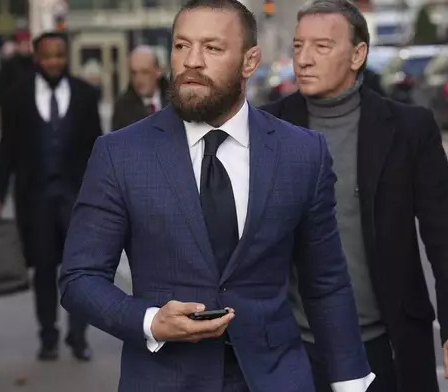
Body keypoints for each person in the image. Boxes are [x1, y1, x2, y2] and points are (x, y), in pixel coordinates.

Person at [60, 1, 373, 391]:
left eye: (212, 48)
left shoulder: (301, 153)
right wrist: (149, 320)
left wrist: (351, 382)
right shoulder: (120, 154)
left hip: (275, 377)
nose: (192, 61)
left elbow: (326, 281)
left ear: (249, 61)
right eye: (181, 46)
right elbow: (79, 278)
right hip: (164, 378)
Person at [260, 1, 448, 391]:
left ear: (357, 54)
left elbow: (445, 235)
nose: (304, 59)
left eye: (321, 47)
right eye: (298, 46)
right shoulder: (264, 127)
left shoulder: (409, 129)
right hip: (291, 348)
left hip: (384, 344)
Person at [0, 31, 103, 362]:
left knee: (80, 270)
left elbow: (98, 146)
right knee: (43, 270)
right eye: (47, 56)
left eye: (59, 56)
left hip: (77, 198)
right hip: (34, 198)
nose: (54, 62)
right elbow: (6, 149)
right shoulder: (17, 96)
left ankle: (79, 336)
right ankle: (48, 336)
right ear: (36, 59)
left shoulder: (85, 95)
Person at [111, 45, 170, 131]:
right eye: (134, 73)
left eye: (145, 72)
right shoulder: (122, 108)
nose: (139, 79)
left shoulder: (175, 100)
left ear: (158, 72)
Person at [0, 29, 34, 107]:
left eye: (28, 43)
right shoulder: (9, 65)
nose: (27, 47)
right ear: (17, 45)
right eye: (24, 43)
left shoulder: (35, 63)